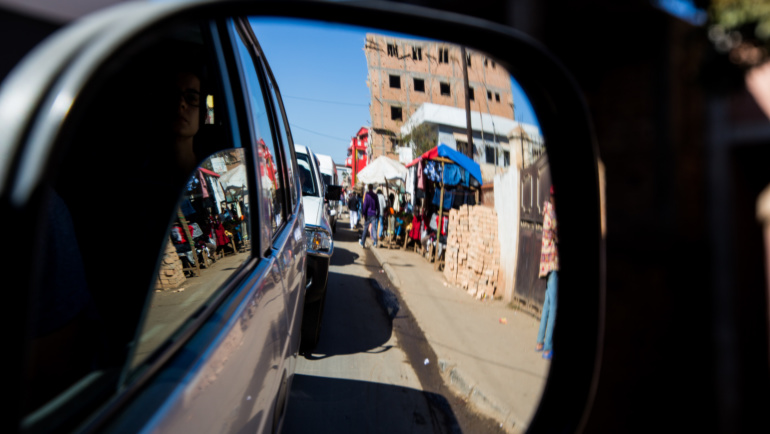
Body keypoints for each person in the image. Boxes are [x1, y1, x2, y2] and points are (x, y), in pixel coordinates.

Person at [536, 185, 559, 360]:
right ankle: (548, 347)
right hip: (553, 263)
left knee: (547, 304)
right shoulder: (552, 215)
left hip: (546, 263)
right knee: (554, 306)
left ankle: (539, 342)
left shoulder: (547, 211)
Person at [359, 184, 379, 248]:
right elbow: (377, 205)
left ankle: (362, 242)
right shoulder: (375, 195)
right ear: (372, 188)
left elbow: (365, 205)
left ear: (368, 188)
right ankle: (375, 242)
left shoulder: (367, 195)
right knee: (374, 228)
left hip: (368, 214)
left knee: (365, 228)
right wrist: (378, 213)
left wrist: (363, 213)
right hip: (373, 214)